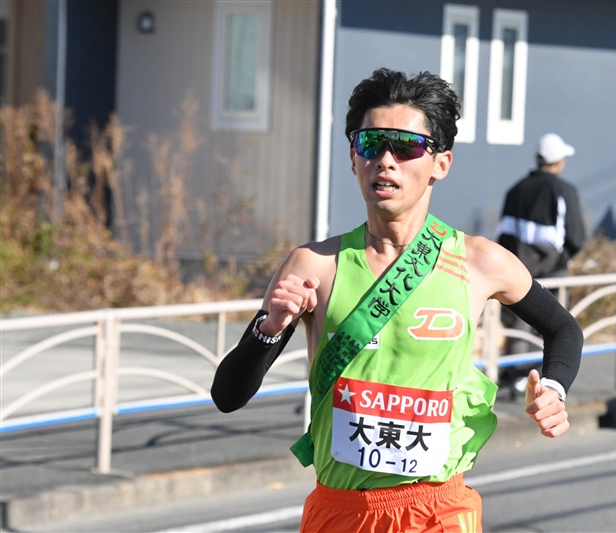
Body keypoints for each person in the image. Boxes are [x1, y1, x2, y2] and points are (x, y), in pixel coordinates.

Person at [211, 68, 583, 533]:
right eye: (371, 144)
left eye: (406, 146)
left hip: (438, 510)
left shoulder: (480, 261)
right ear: (353, 157)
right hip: (340, 512)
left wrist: (553, 389)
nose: (385, 161)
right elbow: (227, 397)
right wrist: (267, 331)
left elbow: (563, 328)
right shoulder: (314, 267)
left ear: (440, 163)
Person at [497, 133, 586, 280]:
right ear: (558, 162)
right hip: (553, 276)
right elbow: (576, 238)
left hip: (518, 276)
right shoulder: (564, 191)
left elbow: (504, 236)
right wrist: (561, 261)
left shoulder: (516, 190)